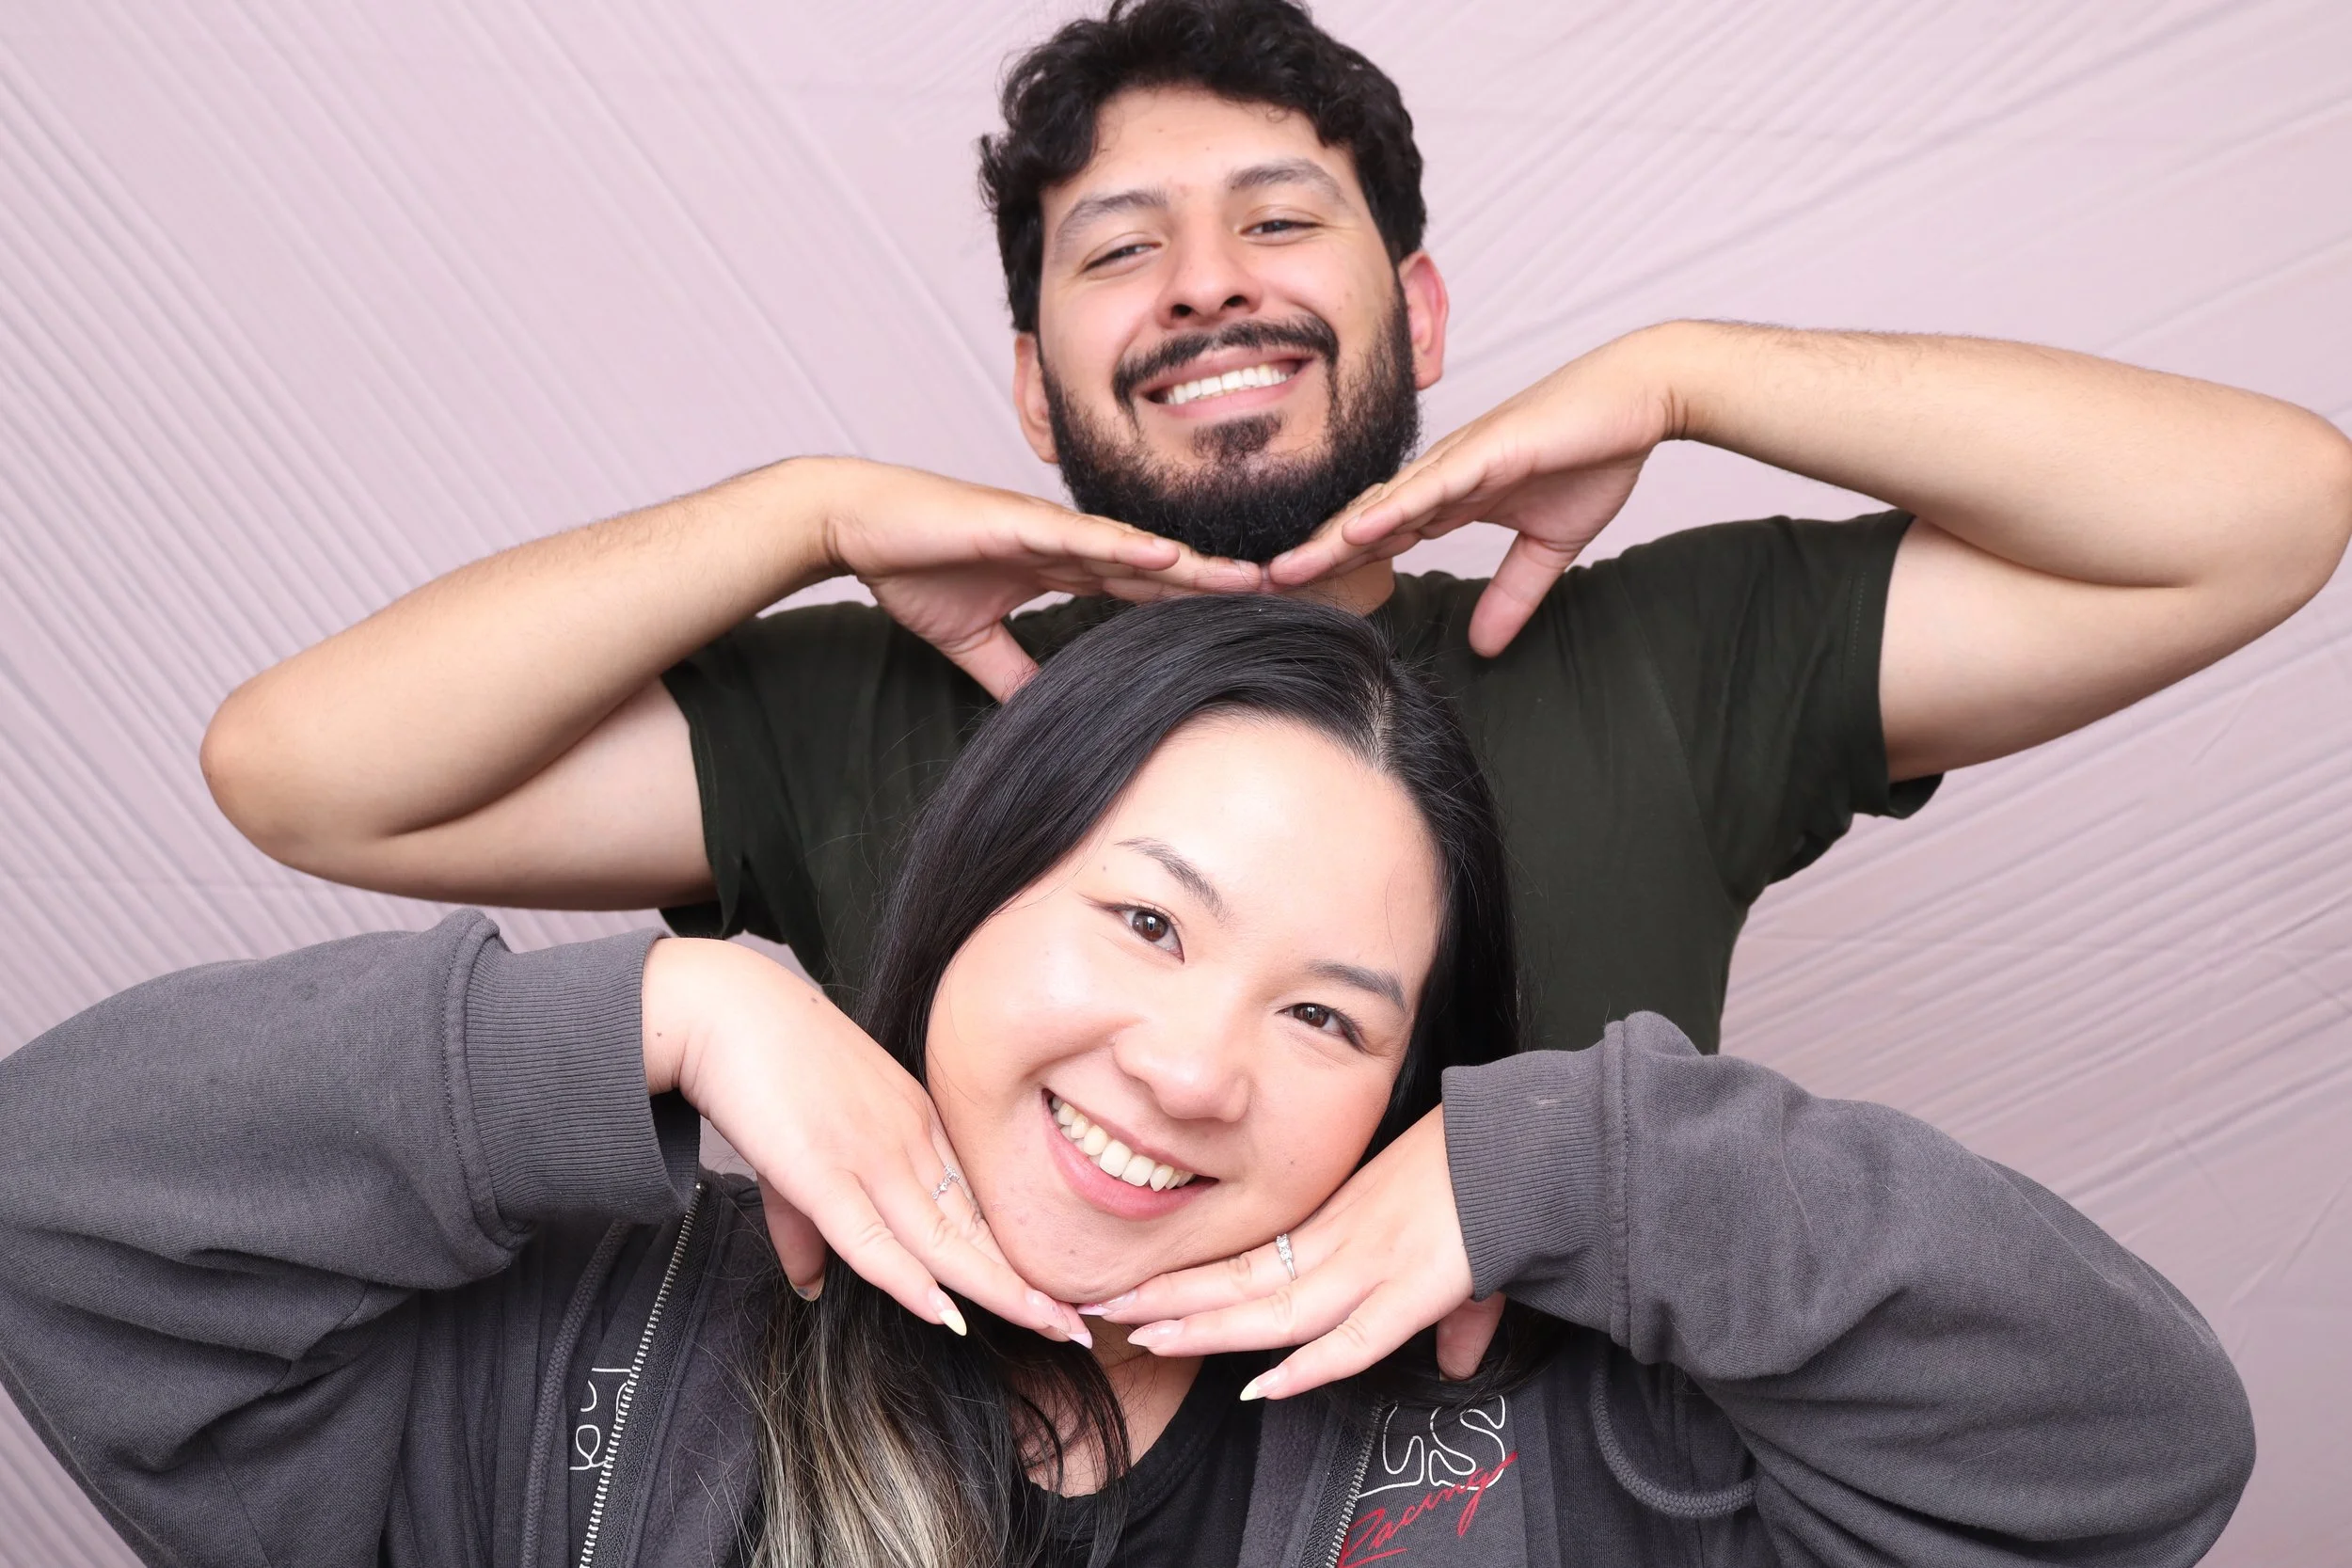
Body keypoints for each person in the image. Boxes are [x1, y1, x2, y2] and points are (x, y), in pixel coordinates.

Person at [198, 0, 2352, 1065]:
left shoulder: (1665, 663)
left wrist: (1691, 372)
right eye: (1117, 248)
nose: (1206, 286)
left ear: (1415, 313)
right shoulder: (868, 712)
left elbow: (2264, 514)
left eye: (1277, 221)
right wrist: (800, 518)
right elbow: (304, 774)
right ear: (1033, 385)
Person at [1, 599, 2253, 1568]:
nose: (1185, 1066)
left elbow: (2133, 1450)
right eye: (1146, 921)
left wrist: (1593, 1163)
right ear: (972, 889)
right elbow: (57, 1200)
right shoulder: (590, 1336)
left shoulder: (1567, 1455)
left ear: (1406, 1091)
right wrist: (659, 1016)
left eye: (1327, 1017)